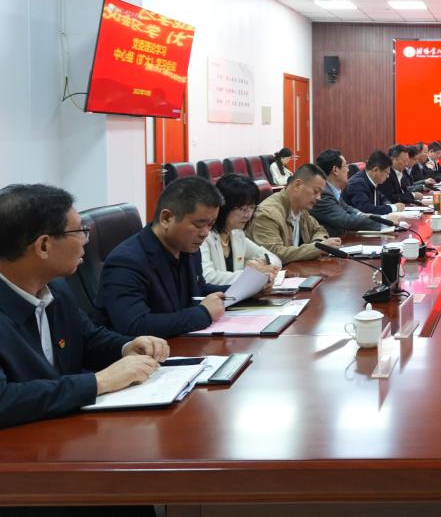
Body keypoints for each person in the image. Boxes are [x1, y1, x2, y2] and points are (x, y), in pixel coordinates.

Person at [0, 184, 169, 428]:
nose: (86, 241)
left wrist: (126, 347)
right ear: (43, 246)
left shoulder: (56, 288)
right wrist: (99, 382)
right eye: (80, 231)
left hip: (64, 430)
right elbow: (4, 400)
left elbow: (87, 338)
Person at [100, 177, 229, 338]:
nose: (205, 233)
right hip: (146, 352)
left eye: (210, 225)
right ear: (167, 218)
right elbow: (135, 325)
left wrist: (244, 290)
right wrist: (203, 313)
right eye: (199, 224)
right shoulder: (126, 262)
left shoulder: (188, 248)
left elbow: (198, 290)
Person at [249, 163, 342, 263]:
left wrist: (318, 244)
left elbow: (319, 230)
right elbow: (273, 254)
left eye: (320, 193)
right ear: (298, 185)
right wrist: (318, 248)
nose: (319, 198)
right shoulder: (268, 214)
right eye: (315, 191)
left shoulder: (301, 209)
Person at [200, 174, 281, 285]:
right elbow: (208, 278)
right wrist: (253, 273)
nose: (248, 215)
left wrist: (258, 263)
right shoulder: (204, 236)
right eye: (243, 209)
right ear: (224, 207)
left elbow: (275, 260)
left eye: (252, 207)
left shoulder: (236, 234)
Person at [313, 149, 403, 236]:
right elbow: (346, 219)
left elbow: (348, 208)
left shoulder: (333, 190)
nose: (348, 170)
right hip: (332, 241)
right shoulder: (322, 194)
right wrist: (385, 220)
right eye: (345, 166)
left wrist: (367, 216)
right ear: (335, 170)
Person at [344, 150, 407, 215]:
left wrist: (388, 204)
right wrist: (392, 208)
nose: (388, 176)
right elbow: (365, 209)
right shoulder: (357, 184)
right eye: (387, 173)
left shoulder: (372, 180)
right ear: (376, 170)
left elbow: (382, 197)